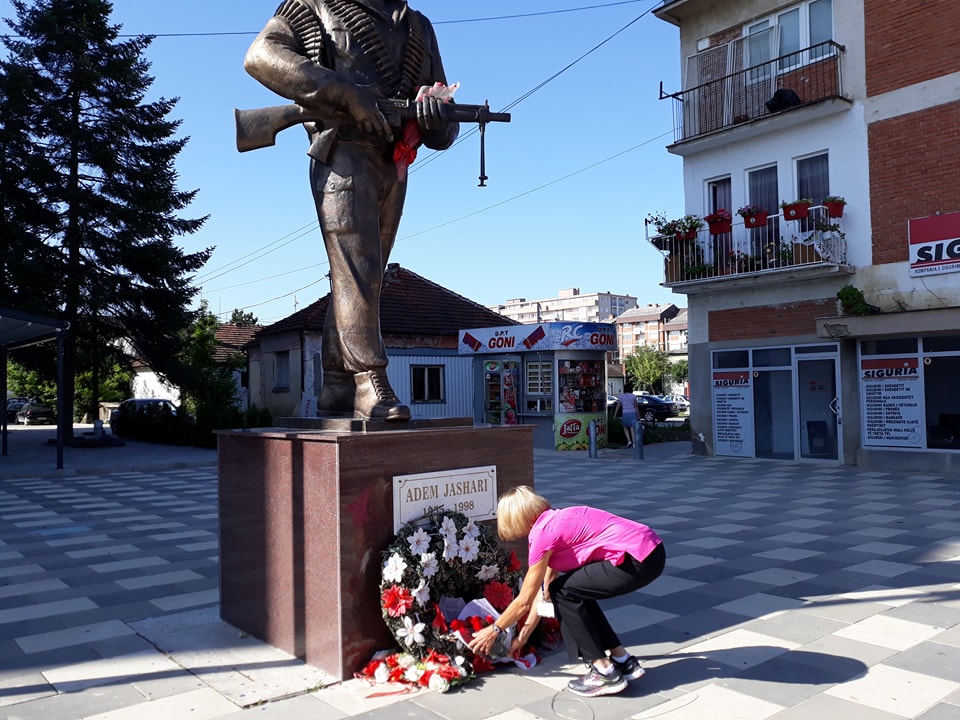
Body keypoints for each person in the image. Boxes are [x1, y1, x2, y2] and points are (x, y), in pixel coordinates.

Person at [244, 0, 458, 421]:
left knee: (365, 276)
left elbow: (443, 128)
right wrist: (343, 91)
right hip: (342, 153)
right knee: (357, 266)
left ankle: (337, 383)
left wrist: (437, 118)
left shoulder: (419, 27)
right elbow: (262, 56)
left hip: (395, 161)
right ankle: (367, 379)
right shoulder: (315, 6)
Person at [468, 486, 666, 698]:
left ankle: (603, 671)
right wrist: (522, 638)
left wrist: (495, 630)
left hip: (636, 559)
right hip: (652, 551)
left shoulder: (543, 535)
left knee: (565, 592)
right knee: (571, 591)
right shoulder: (557, 521)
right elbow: (543, 593)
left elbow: (525, 600)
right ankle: (622, 661)